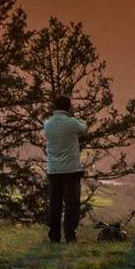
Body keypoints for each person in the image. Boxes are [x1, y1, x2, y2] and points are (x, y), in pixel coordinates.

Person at [43, 96, 87, 243]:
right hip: (71, 170)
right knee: (71, 204)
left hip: (53, 170)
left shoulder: (47, 124)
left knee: (55, 204)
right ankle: (70, 234)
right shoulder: (73, 123)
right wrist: (78, 118)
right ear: (69, 107)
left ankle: (54, 235)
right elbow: (84, 129)